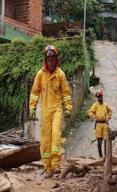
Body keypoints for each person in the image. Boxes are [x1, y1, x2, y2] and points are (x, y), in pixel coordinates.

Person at [29, 45, 72, 178]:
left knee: (56, 135)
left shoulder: (60, 74)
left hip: (57, 109)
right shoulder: (40, 74)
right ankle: (47, 167)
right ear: (46, 60)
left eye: (53, 58)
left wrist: (68, 108)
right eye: (49, 59)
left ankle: (56, 164)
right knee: (45, 139)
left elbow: (66, 93)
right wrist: (32, 107)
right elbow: (35, 92)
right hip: (45, 111)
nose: (51, 61)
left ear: (56, 59)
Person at [88, 90, 112, 158]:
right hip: (98, 125)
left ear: (102, 97)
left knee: (106, 141)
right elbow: (90, 112)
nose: (99, 98)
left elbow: (110, 110)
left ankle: (106, 156)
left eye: (100, 97)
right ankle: (100, 156)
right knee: (99, 142)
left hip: (105, 124)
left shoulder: (105, 105)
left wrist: (109, 117)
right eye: (98, 97)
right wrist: (94, 117)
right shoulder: (95, 105)